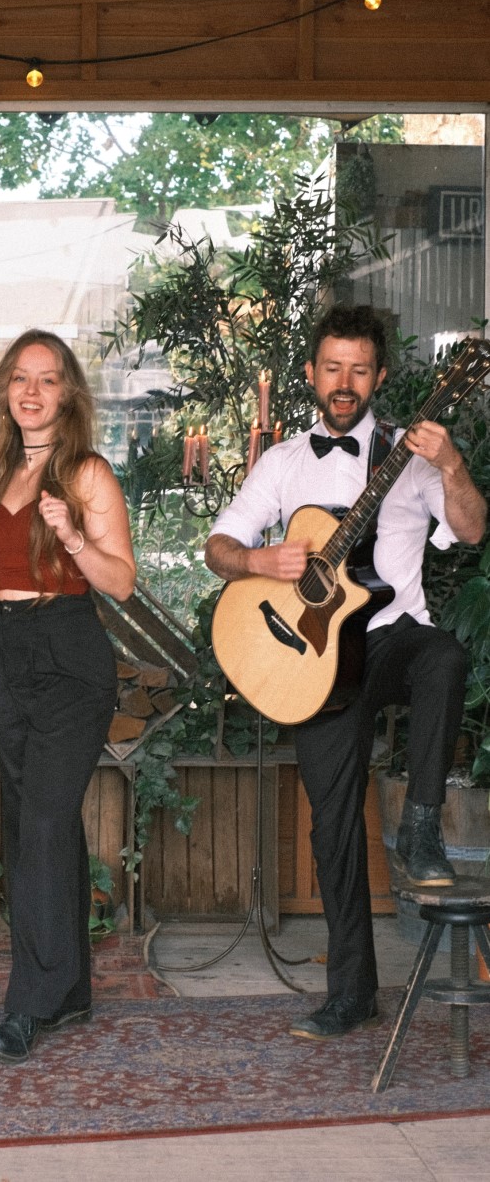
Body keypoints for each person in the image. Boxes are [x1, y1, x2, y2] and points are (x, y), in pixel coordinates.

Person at [205, 303, 486, 1041]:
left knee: (445, 655)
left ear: (379, 376)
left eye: (359, 369)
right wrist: (262, 560)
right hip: (313, 661)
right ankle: (351, 992)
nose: (344, 381)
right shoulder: (282, 463)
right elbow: (220, 546)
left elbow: (470, 529)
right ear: (310, 373)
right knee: (330, 830)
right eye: (331, 367)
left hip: (388, 640)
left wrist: (451, 464)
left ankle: (420, 831)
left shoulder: (413, 454)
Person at [0, 329, 136, 1065]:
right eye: (20, 378)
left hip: (70, 657)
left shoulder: (86, 474)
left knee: (46, 826)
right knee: (29, 825)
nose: (30, 391)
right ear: (5, 392)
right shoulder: (0, 471)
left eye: (47, 380)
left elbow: (119, 581)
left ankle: (28, 1003)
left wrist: (75, 537)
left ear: (68, 395)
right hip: (10, 655)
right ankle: (72, 989)